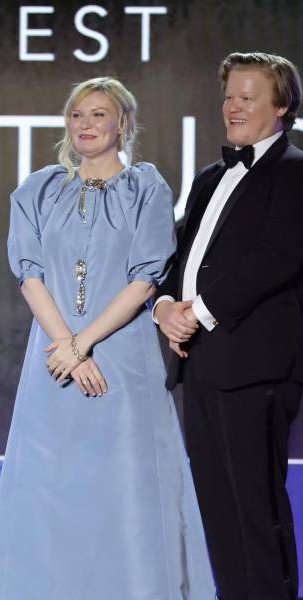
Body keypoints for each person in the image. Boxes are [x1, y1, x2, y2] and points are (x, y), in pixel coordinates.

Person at [0, 77, 215, 599]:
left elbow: (145, 279)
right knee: (51, 485)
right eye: (78, 115)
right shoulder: (38, 190)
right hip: (53, 359)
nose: (86, 125)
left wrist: (84, 344)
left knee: (125, 488)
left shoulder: (147, 189)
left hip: (122, 360)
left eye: (99, 115)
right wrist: (66, 344)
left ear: (123, 124)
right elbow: (30, 274)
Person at [154, 52, 303, 600]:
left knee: (256, 510)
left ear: (281, 105)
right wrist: (165, 305)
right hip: (200, 367)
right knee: (217, 508)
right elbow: (182, 258)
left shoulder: (295, 172)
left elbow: (276, 256)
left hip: (256, 366)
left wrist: (199, 311)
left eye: (248, 96)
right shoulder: (210, 177)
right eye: (229, 96)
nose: (233, 107)